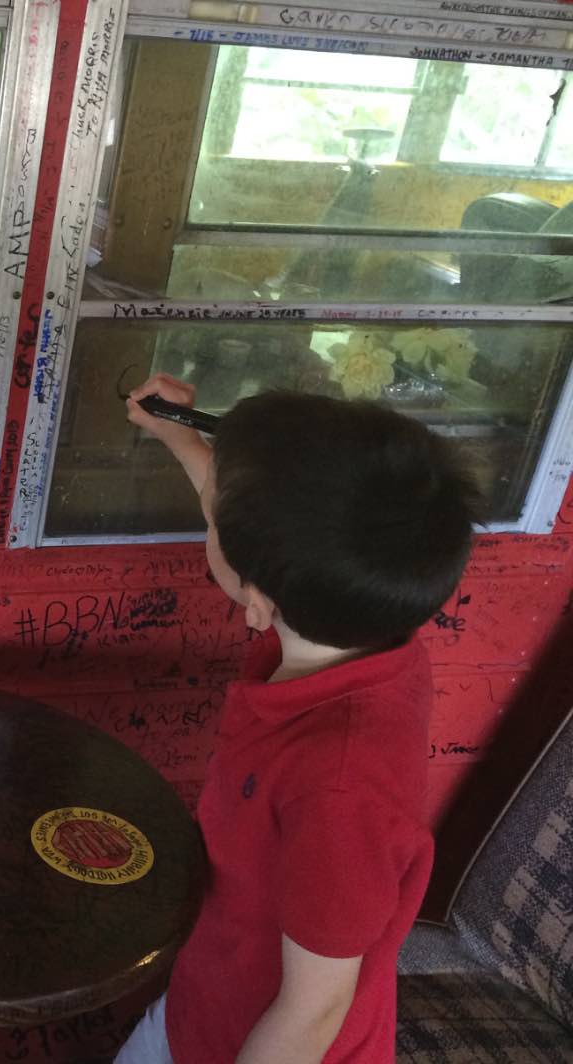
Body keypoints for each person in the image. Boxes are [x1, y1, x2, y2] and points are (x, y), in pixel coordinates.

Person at [113, 374, 481, 1064]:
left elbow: (314, 1010)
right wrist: (179, 436)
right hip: (204, 1001)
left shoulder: (338, 791)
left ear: (256, 601)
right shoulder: (360, 629)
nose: (210, 512)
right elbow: (247, 527)